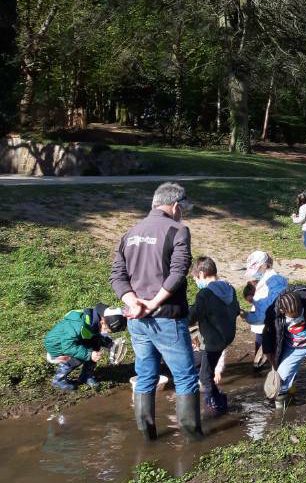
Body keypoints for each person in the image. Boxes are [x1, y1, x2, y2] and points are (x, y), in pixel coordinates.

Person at [110, 181, 201, 441]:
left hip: (137, 320)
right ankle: (193, 441)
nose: (183, 213)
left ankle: (148, 438)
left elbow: (117, 276)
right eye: (183, 209)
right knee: (185, 377)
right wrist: (153, 302)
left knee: (146, 375)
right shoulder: (178, 230)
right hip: (167, 318)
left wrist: (133, 302)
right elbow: (178, 272)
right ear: (175, 206)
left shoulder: (130, 233)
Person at [189, 257, 240, 417]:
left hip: (212, 340)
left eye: (196, 278)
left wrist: (182, 314)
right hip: (227, 335)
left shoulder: (204, 294)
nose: (196, 282)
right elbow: (236, 309)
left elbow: (192, 317)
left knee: (204, 376)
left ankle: (215, 407)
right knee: (206, 370)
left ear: (202, 274)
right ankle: (218, 400)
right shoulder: (229, 288)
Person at [44, 303, 126, 391]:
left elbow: (95, 335)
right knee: (80, 356)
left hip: (74, 341)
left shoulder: (94, 320)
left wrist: (109, 343)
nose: (106, 332)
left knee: (95, 344)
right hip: (57, 346)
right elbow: (68, 347)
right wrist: (89, 354)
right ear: (102, 321)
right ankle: (59, 380)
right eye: (107, 329)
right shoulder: (78, 326)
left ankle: (86, 376)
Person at [242, 250, 288, 371]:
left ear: (264, 265)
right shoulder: (271, 279)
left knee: (275, 354)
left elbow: (265, 312)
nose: (255, 274)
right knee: (271, 352)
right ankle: (279, 379)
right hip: (271, 323)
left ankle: (281, 383)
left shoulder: (273, 281)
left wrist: (246, 315)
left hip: (274, 324)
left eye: (256, 270)